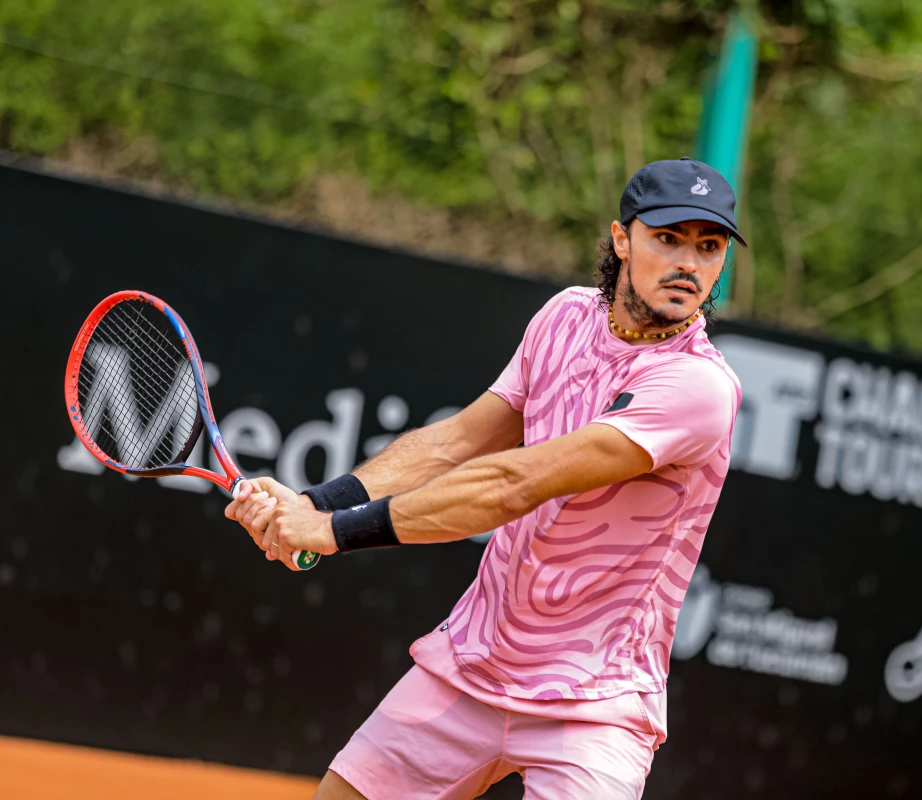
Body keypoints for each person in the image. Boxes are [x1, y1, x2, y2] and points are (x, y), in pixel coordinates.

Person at [226, 157, 744, 800]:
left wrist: (329, 531)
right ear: (621, 239)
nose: (689, 264)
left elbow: (513, 483)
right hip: (470, 664)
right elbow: (462, 440)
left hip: (592, 705)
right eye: (668, 238)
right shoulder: (565, 318)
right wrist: (315, 501)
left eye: (710, 246)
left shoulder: (699, 387)